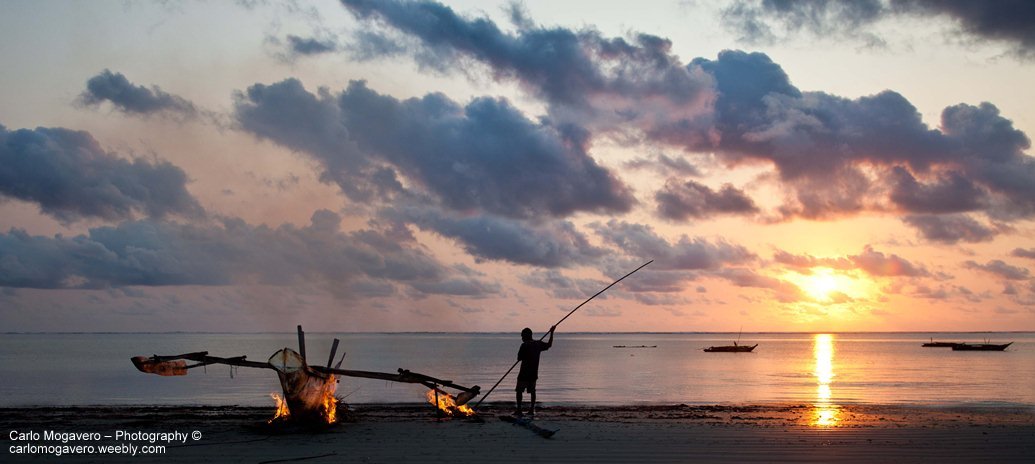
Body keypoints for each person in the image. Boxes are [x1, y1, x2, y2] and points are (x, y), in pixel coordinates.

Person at [515, 325, 554, 417]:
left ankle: (519, 410)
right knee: (532, 391)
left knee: (519, 391)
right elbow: (549, 345)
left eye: (522, 336)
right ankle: (532, 410)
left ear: (527, 336)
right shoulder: (538, 344)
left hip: (524, 373)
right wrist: (552, 333)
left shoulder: (524, 345)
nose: (522, 338)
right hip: (533, 373)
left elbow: (519, 358)